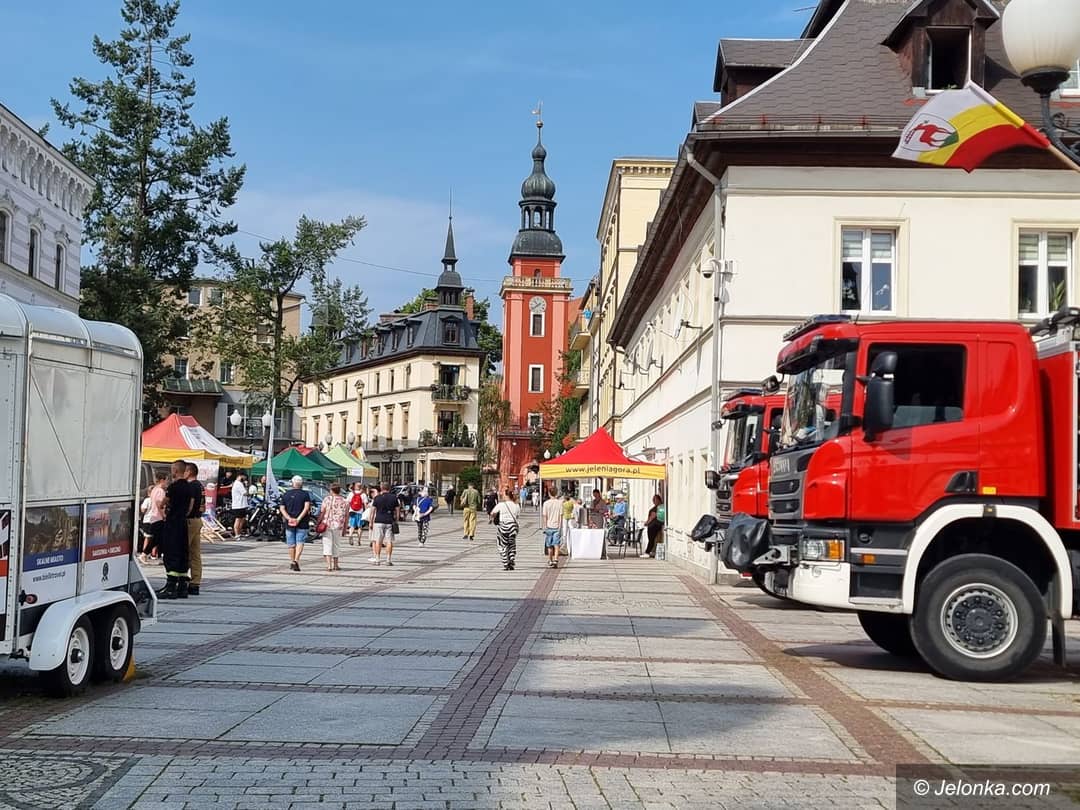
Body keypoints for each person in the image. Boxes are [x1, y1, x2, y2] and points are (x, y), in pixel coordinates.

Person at [157, 460, 192, 599]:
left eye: (172, 469)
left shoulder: (173, 487)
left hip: (173, 523)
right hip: (183, 523)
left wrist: (163, 506)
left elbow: (162, 503)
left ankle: (170, 587)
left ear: (175, 471)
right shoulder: (189, 487)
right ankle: (182, 587)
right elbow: (190, 507)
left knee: (171, 552)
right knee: (183, 552)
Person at [279, 475, 313, 571]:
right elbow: (306, 508)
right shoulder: (305, 494)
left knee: (291, 544)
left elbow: (282, 508)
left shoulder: (286, 494)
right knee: (300, 542)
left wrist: (289, 518)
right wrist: (298, 519)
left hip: (289, 523)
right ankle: (296, 560)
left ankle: (292, 560)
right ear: (301, 484)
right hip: (302, 522)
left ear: (292, 483)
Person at [184, 462, 205, 596]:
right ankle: (195, 583)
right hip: (198, 520)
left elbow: (190, 504)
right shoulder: (200, 486)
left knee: (184, 551)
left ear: (190, 472)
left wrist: (184, 515)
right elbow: (203, 506)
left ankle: (182, 579)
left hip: (190, 520)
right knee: (195, 553)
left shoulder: (191, 486)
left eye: (185, 471)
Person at [489, 489, 521, 571]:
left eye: (503, 494)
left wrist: (492, 518)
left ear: (506, 495)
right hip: (513, 527)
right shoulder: (516, 505)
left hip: (503, 526)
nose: (502, 496)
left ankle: (506, 562)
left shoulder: (501, 505)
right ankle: (511, 558)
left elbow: (493, 513)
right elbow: (517, 516)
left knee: (502, 544)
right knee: (512, 544)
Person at [320, 483, 348, 572]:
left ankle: (329, 565)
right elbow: (346, 516)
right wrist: (345, 528)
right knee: (336, 544)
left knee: (327, 544)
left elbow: (322, 511)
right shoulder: (345, 501)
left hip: (327, 524)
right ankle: (336, 564)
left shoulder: (327, 499)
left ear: (331, 490)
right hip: (338, 525)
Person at [140, 473, 167, 563]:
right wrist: (163, 515)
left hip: (153, 517)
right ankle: (144, 554)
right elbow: (159, 504)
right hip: (158, 517)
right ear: (162, 480)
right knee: (158, 538)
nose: (166, 483)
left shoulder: (154, 490)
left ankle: (146, 554)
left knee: (157, 538)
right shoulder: (160, 491)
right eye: (166, 481)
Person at [370, 481, 398, 565]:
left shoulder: (377, 498)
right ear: (389, 488)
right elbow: (397, 510)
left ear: (381, 488)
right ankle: (388, 560)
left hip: (378, 521)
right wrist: (396, 520)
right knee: (389, 541)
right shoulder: (394, 497)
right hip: (389, 521)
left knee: (378, 541)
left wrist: (371, 522)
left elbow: (372, 511)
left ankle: (377, 559)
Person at [541, 487, 563, 568]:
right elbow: (561, 515)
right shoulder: (559, 503)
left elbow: (545, 516)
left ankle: (550, 560)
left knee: (549, 545)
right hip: (557, 526)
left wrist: (545, 526)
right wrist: (560, 526)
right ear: (556, 493)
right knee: (556, 545)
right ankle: (556, 560)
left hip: (549, 526)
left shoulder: (546, 503)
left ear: (549, 493)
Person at [643, 494, 665, 558]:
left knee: (651, 539)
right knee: (652, 539)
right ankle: (651, 551)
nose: (653, 501)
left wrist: (647, 522)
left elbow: (653, 516)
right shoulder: (658, 507)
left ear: (658, 500)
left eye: (654, 500)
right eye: (653, 500)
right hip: (653, 525)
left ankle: (647, 552)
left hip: (654, 525)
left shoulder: (658, 508)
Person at [231, 474, 249, 538]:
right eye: (244, 477)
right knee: (238, 519)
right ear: (240, 476)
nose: (244, 479)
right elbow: (245, 493)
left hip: (241, 505)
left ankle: (239, 533)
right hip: (238, 505)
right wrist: (246, 486)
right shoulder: (238, 484)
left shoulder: (238, 483)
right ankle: (237, 534)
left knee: (242, 519)